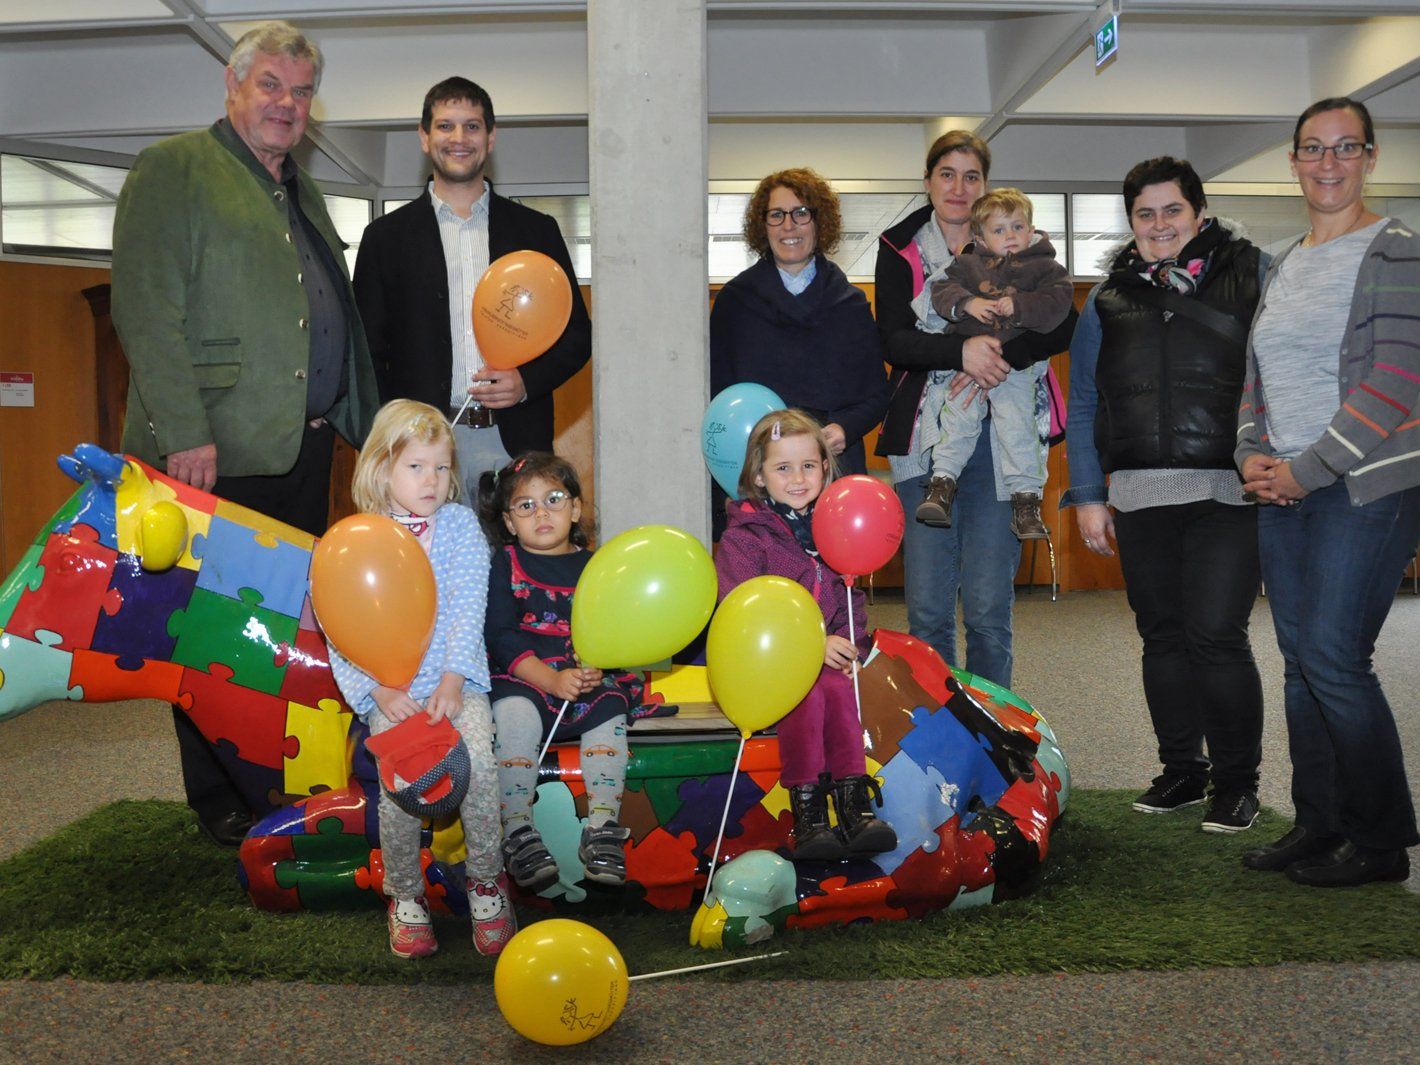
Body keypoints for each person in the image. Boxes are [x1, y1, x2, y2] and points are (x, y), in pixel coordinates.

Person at [110, 21, 379, 846]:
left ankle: (272, 777)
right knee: (208, 627)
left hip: (301, 447)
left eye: (300, 92)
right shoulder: (174, 169)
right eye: (270, 85)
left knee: (276, 633)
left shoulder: (303, 189)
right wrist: (184, 429)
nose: (286, 104)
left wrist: (365, 425)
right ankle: (217, 796)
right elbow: (147, 310)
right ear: (232, 87)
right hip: (209, 451)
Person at [1237, 98, 1420, 886]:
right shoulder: (1283, 260)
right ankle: (1319, 822)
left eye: (1346, 148)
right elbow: (1258, 374)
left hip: (1365, 486)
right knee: (1298, 660)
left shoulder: (1398, 250)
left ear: (1371, 158)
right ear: (1295, 161)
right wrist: (1250, 451)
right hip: (1283, 486)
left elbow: (1397, 382)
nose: (1328, 163)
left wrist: (1307, 468)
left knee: (1335, 658)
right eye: (1313, 148)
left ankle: (1380, 841)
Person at [1062, 156, 1267, 834]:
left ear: (1198, 213)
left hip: (1226, 489)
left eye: (1172, 211)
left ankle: (1238, 784)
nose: (1159, 225)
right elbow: (1087, 395)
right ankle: (1183, 769)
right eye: (1144, 214)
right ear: (1131, 222)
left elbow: (1275, 370)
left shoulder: (1249, 273)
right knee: (1162, 636)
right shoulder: (1109, 297)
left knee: (1215, 633)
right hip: (1140, 491)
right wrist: (1088, 492)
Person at [874, 132, 1077, 686]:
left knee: (989, 611)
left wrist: (999, 357)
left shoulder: (1024, 243)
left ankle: (996, 739)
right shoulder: (900, 248)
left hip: (1003, 442)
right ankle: (936, 741)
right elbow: (892, 339)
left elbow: (1063, 323)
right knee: (929, 613)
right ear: (928, 182)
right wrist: (960, 351)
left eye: (971, 176)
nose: (958, 188)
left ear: (985, 184)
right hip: (927, 440)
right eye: (947, 174)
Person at [325, 400, 511, 958]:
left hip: (456, 685)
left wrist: (453, 681)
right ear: (382, 468)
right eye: (416, 467)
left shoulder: (457, 528)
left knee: (478, 768)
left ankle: (486, 884)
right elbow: (341, 625)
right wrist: (378, 692)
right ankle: (405, 895)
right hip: (393, 690)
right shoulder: (355, 536)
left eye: (442, 467)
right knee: (402, 787)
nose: (432, 480)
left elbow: (465, 608)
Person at [354, 77, 591, 500]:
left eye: (472, 126)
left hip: (514, 442)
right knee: (427, 567)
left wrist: (527, 382)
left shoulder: (537, 232)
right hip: (419, 448)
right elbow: (366, 355)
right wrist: (391, 437)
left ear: (491, 137)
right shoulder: (384, 239)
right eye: (445, 126)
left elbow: (576, 337)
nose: (458, 138)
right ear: (424, 138)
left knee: (514, 567)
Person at [715, 410, 896, 861]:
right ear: (759, 475)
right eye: (783, 467)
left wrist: (853, 642)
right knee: (808, 691)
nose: (798, 478)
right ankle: (809, 811)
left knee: (833, 685)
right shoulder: (745, 538)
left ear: (825, 467)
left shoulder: (831, 526)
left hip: (823, 666)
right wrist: (811, 647)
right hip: (763, 667)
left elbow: (849, 595)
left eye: (809, 466)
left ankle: (854, 804)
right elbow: (740, 614)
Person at [477, 453, 649, 888]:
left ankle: (603, 828)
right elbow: (498, 634)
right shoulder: (503, 564)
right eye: (526, 505)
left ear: (575, 509)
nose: (542, 512)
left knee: (610, 706)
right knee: (514, 715)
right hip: (525, 677)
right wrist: (549, 679)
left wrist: (596, 667)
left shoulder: (598, 567)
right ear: (510, 522)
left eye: (554, 499)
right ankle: (517, 829)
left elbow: (616, 629)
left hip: (584, 677)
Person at [710, 167, 888, 491]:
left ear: (820, 223)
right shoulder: (734, 304)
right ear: (762, 226)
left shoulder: (852, 306)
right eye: (776, 215)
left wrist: (844, 429)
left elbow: (876, 395)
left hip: (834, 471)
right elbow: (718, 399)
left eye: (801, 213)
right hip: (760, 479)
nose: (789, 225)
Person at [921, 187, 1073, 537]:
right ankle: (942, 483)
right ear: (981, 238)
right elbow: (941, 291)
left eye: (1017, 227)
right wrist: (967, 305)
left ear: (1031, 228)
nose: (1010, 237)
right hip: (969, 367)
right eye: (999, 230)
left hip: (1014, 368)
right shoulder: (967, 264)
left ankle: (1026, 501)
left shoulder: (1045, 268)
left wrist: (1019, 308)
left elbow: (1059, 304)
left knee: (1017, 426)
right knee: (957, 417)